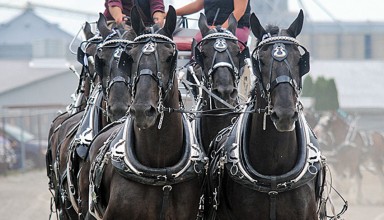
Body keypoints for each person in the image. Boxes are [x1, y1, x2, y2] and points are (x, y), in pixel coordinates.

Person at [175, 0, 251, 44]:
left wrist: (220, 30)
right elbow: (198, 5)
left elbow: (239, 10)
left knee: (200, 41)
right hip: (211, 29)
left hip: (236, 28)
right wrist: (171, 13)